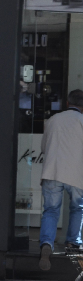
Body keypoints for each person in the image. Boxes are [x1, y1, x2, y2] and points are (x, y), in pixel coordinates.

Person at [38, 90, 83, 270]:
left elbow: (44, 147)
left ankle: (46, 244)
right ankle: (73, 244)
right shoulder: (81, 121)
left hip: (52, 171)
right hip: (76, 173)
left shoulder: (53, 120)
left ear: (67, 103)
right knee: (78, 208)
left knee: (50, 210)